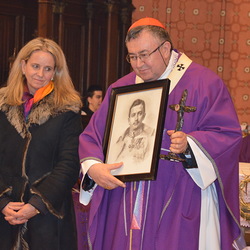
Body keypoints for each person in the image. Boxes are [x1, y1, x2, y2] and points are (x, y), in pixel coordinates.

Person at [79, 17, 245, 250]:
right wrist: (94, 167)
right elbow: (92, 136)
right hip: (125, 200)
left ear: (165, 48)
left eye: (144, 54)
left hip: (181, 197)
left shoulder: (204, 83)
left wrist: (191, 144)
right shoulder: (121, 88)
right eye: (132, 56)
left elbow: (227, 136)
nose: (138, 64)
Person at [0, 37, 82, 250]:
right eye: (35, 66)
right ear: (23, 65)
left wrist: (36, 205)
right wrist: (3, 202)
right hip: (5, 212)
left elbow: (69, 163)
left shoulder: (68, 109)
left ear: (56, 72)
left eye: (48, 69)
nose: (40, 74)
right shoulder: (2, 104)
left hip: (48, 214)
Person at [115, 98, 154, 163]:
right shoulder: (121, 140)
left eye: (139, 114)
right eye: (133, 115)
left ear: (144, 116)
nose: (136, 118)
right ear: (129, 120)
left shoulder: (150, 139)